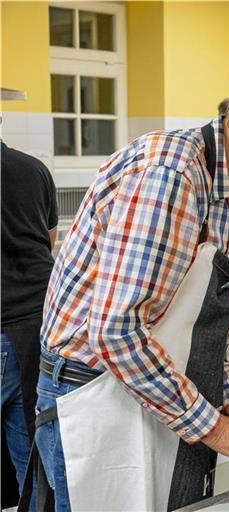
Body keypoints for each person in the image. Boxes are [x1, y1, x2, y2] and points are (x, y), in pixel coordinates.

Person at [32, 62, 229, 511]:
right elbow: (114, 332)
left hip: (155, 387)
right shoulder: (170, 176)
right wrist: (216, 428)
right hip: (96, 394)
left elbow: (216, 326)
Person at [1, 138, 58, 510]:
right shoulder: (33, 168)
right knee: (30, 451)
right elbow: (49, 240)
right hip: (41, 319)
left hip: (4, 324)